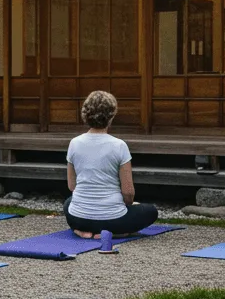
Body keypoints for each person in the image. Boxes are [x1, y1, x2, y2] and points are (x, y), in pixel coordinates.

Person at [64, 90, 158, 238]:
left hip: (79, 218)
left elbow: (72, 186)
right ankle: (115, 233)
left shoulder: (74, 143)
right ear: (111, 116)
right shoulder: (119, 146)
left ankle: (81, 231)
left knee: (68, 203)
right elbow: (128, 193)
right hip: (112, 220)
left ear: (85, 114)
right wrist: (128, 205)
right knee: (151, 211)